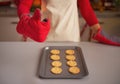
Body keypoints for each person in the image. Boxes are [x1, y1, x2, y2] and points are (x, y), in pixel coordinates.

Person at [14, 0, 120, 46]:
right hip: (45, 37)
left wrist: (97, 30)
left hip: (70, 37)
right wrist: (25, 19)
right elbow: (24, 4)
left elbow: (86, 9)